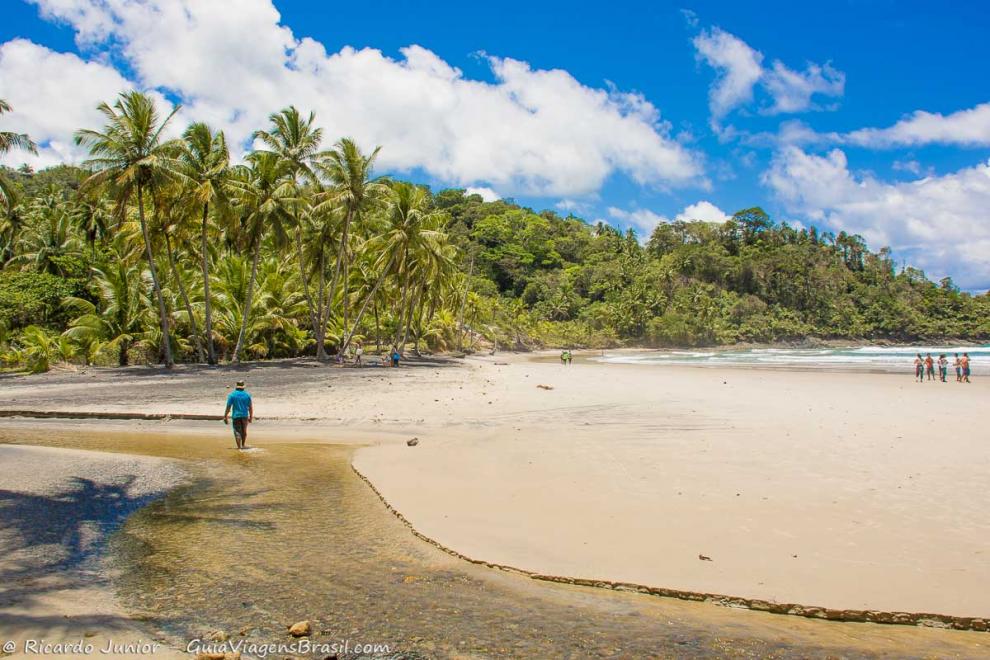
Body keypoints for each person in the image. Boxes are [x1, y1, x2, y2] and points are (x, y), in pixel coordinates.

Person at [224, 380, 254, 449]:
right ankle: (243, 445)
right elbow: (250, 407)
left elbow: (228, 407)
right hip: (245, 416)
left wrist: (225, 416)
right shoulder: (247, 395)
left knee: (237, 432)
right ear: (243, 387)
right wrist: (251, 417)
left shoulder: (232, 395)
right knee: (244, 431)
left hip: (236, 416)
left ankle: (239, 447)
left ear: (236, 387)